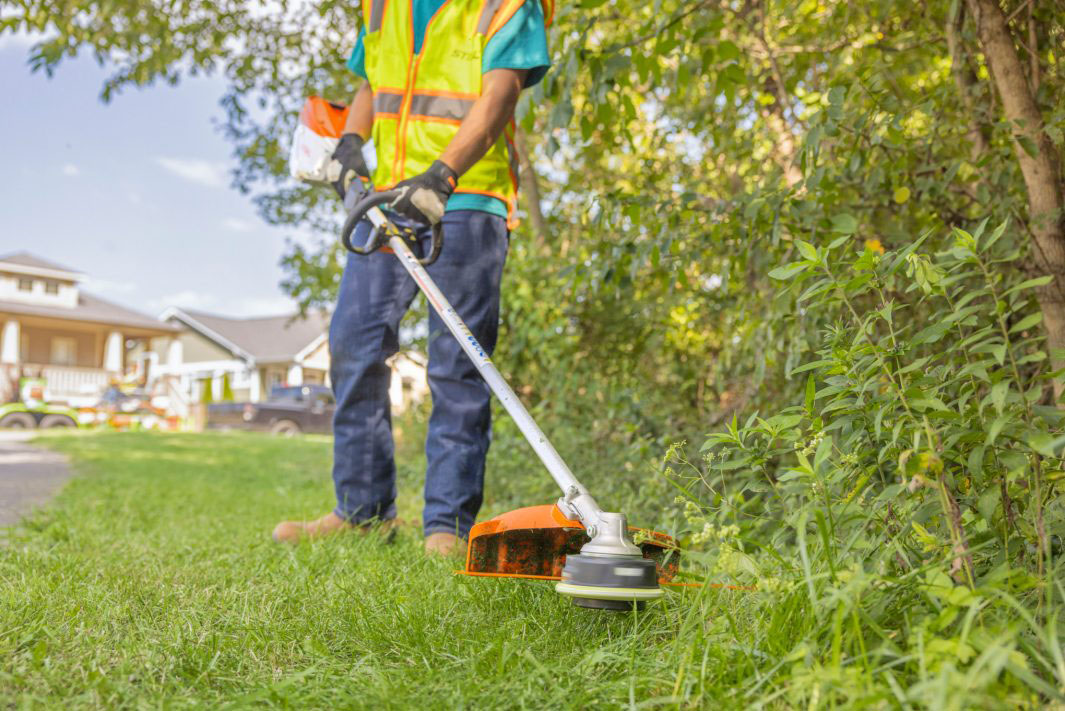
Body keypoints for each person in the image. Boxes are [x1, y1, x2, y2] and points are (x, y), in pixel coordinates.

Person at [272, 0, 551, 555]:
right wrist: (350, 143)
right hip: (388, 198)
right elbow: (372, 87)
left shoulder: (507, 6)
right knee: (353, 344)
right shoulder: (383, 6)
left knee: (458, 364)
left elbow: (500, 93)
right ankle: (361, 512)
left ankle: (446, 527)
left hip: (467, 195)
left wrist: (443, 177)